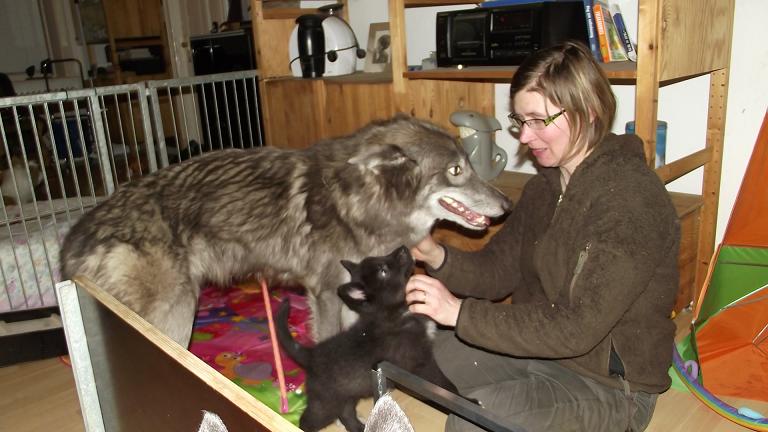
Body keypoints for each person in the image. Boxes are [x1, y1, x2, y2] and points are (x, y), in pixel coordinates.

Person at [405, 41, 680, 432]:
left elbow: (577, 328)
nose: (524, 137)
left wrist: (458, 312)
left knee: (471, 419)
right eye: (520, 121)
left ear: (589, 112)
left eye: (538, 121)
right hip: (538, 353)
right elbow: (497, 271)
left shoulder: (631, 202)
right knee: (413, 349)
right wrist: (435, 255)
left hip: (609, 387)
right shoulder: (544, 188)